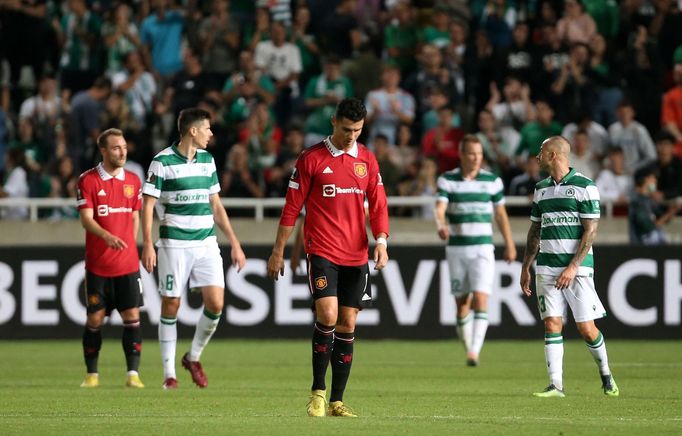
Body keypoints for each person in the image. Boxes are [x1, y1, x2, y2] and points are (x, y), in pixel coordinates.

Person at [267, 98, 389, 417]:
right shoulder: (311, 158)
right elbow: (292, 208)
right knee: (328, 314)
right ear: (334, 122)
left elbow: (378, 204)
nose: (352, 136)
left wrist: (382, 241)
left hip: (356, 254)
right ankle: (317, 392)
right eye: (347, 129)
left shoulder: (367, 159)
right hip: (322, 250)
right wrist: (278, 250)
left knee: (348, 322)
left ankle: (337, 400)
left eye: (358, 130)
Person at [141, 108, 246, 389]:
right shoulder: (161, 162)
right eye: (208, 129)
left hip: (206, 242)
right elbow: (148, 206)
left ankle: (193, 356)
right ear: (193, 131)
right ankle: (169, 375)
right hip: (174, 243)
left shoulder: (208, 160)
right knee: (172, 303)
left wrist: (234, 242)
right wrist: (148, 244)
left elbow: (216, 204)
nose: (211, 134)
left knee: (216, 303)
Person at [520, 136, 619, 398]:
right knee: (552, 323)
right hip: (546, 267)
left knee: (586, 328)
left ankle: (606, 375)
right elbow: (535, 230)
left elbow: (590, 232)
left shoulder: (586, 187)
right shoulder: (541, 188)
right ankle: (556, 385)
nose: (537, 156)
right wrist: (526, 265)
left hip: (578, 270)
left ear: (554, 155)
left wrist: (573, 266)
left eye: (541, 151)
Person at [434, 134, 516, 367]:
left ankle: (474, 352)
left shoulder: (492, 181)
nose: (476, 158)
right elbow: (440, 208)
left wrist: (509, 243)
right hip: (457, 248)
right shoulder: (447, 180)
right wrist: (441, 225)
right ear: (461, 155)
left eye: (479, 154)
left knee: (481, 297)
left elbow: (500, 214)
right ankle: (469, 346)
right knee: (462, 304)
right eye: (471, 153)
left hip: (482, 247)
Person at [76, 128, 144, 389]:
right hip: (98, 265)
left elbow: (135, 215)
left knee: (132, 316)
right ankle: (92, 374)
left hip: (127, 265)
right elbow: (86, 219)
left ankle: (133, 374)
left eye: (124, 146)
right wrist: (107, 237)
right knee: (95, 318)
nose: (122, 151)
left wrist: (131, 242)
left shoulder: (134, 181)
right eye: (116, 147)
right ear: (103, 150)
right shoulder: (88, 181)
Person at [628, 167, 680, 245]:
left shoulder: (650, 200)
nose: (655, 181)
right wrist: (670, 212)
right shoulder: (637, 201)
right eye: (652, 178)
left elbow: (662, 217)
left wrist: (672, 209)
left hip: (654, 249)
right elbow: (647, 227)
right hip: (641, 250)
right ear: (644, 180)